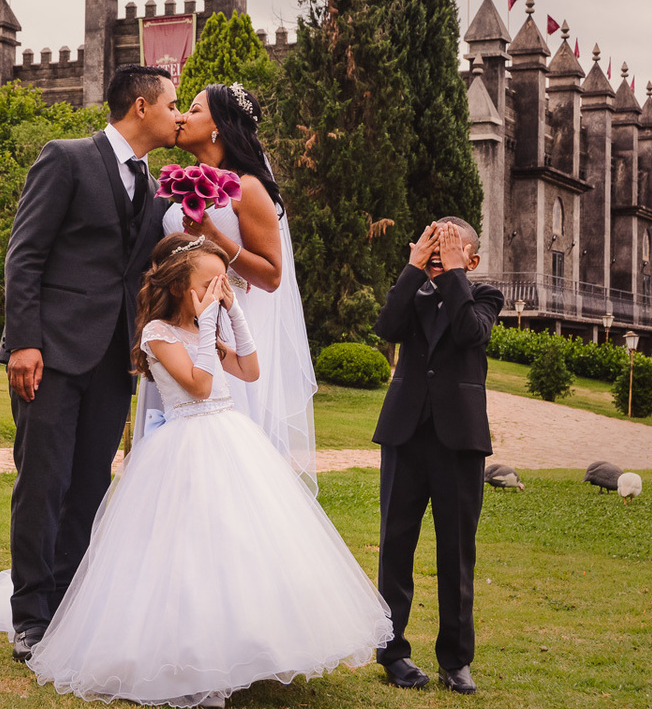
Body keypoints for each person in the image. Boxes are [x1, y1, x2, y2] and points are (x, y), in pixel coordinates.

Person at [21, 233, 392, 708]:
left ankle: (242, 649)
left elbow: (251, 370)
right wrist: (212, 318)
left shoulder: (206, 331)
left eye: (224, 283)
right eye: (211, 283)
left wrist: (233, 315)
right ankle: (190, 664)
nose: (220, 290)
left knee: (235, 545)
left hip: (231, 439)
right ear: (181, 288)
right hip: (183, 445)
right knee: (185, 553)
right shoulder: (158, 334)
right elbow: (197, 387)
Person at [0, 65, 182, 662]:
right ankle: (29, 619)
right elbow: (24, 255)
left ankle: (68, 610)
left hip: (112, 361)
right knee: (43, 484)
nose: (179, 115)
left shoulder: (154, 185)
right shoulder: (67, 158)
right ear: (141, 105)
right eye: (173, 104)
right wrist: (24, 341)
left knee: (89, 490)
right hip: (49, 353)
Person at [156, 82, 319, 491]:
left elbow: (272, 274)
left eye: (193, 109)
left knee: (224, 467)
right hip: (175, 333)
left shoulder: (247, 188)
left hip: (222, 334)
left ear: (218, 127)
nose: (182, 117)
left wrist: (215, 235)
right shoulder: (179, 190)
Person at [371, 217, 504, 695]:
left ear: (472, 260)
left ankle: (455, 660)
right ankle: (392, 651)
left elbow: (470, 333)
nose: (439, 259)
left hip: (459, 440)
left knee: (456, 552)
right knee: (395, 546)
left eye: (450, 252)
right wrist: (412, 270)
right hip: (405, 436)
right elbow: (387, 326)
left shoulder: (485, 297)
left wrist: (453, 277)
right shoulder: (413, 292)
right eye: (433, 251)